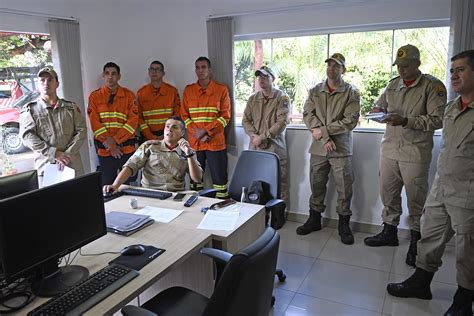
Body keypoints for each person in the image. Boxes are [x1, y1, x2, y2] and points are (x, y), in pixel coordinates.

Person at [386, 49, 474, 316]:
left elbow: (428, 122)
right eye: (453, 70)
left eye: (461, 69)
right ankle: (421, 282)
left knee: (467, 251)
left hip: (468, 192)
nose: (454, 75)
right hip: (442, 185)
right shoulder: (452, 108)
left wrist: (408, 121)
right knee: (430, 236)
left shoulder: (432, 89)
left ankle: (463, 301)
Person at [364, 45, 447, 267]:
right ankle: (389, 232)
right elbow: (378, 105)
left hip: (415, 152)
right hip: (390, 149)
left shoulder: (433, 86)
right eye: (399, 66)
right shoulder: (393, 85)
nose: (401, 70)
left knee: (416, 199)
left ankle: (415, 242)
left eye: (406, 66)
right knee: (388, 194)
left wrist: (407, 121)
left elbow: (437, 120)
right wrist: (376, 112)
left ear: (417, 64)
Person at [296, 53, 360, 245]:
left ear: (343, 70)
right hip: (319, 148)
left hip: (340, 148)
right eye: (329, 65)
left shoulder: (351, 92)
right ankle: (314, 219)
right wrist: (324, 138)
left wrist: (322, 132)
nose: (331, 69)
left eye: (336, 66)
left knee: (344, 187)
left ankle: (343, 224)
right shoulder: (315, 90)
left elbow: (350, 121)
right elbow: (308, 114)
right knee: (316, 183)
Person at [20, 67, 86, 184]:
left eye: (50, 80)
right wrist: (54, 153)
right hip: (46, 167)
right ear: (38, 84)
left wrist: (67, 154)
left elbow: (82, 130)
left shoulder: (70, 108)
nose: (46, 83)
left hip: (72, 166)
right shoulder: (31, 110)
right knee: (49, 201)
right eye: (42, 80)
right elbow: (27, 136)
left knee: (77, 199)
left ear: (57, 84)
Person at [103, 117, 202, 193]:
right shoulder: (149, 146)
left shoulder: (188, 151)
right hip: (150, 194)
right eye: (167, 126)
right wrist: (115, 186)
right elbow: (130, 166)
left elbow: (197, 179)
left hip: (175, 196)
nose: (169, 129)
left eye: (175, 127)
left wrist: (189, 154)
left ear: (182, 132)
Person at [181, 57, 231, 199]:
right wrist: (197, 133)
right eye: (197, 67)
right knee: (195, 181)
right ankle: (196, 209)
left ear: (210, 70)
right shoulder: (189, 90)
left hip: (215, 142)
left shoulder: (221, 90)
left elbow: (225, 116)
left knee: (220, 182)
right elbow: (184, 116)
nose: (200, 70)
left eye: (203, 67)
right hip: (195, 143)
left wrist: (206, 131)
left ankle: (222, 209)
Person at [242, 66, 290, 201]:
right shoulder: (253, 99)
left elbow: (282, 122)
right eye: (259, 77)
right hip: (256, 148)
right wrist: (254, 137)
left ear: (273, 79)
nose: (261, 80)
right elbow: (246, 120)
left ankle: (278, 217)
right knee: (256, 182)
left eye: (265, 76)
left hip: (274, 148)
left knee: (278, 184)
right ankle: (259, 216)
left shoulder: (282, 98)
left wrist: (263, 138)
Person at [87, 62, 138, 186]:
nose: (110, 77)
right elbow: (95, 123)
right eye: (107, 73)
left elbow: (132, 122)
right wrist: (111, 146)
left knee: (127, 185)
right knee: (107, 186)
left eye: (114, 73)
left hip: (125, 149)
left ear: (119, 76)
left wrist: (115, 141)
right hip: (105, 150)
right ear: (103, 76)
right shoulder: (94, 97)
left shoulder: (129, 96)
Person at [137, 61, 180, 141]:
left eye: (158, 69)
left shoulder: (172, 92)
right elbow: (139, 118)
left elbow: (177, 115)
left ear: (163, 73)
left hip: (170, 136)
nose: (154, 72)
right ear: (149, 72)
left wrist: (167, 133)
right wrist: (149, 135)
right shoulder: (141, 93)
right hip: (148, 137)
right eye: (152, 69)